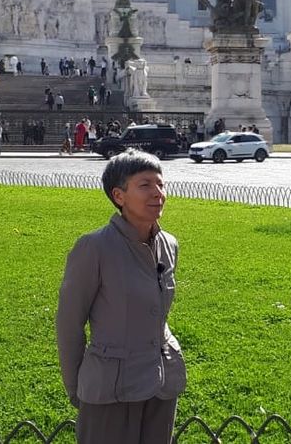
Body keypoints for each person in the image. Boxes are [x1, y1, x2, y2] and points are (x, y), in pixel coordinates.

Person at [56, 150, 185, 444]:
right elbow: (69, 325)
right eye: (145, 185)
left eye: (160, 184)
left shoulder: (169, 244)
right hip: (109, 390)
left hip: (162, 383)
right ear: (119, 196)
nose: (158, 194)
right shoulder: (94, 247)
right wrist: (77, 387)